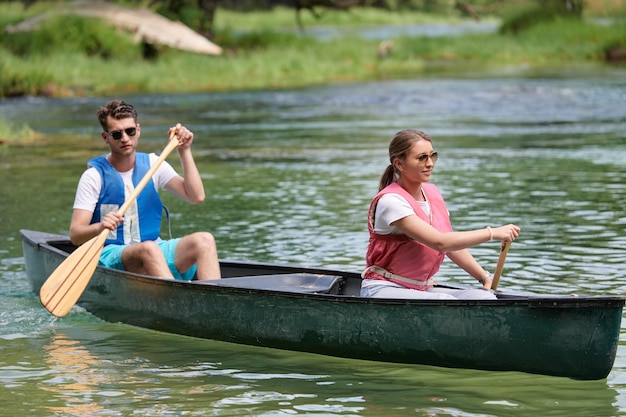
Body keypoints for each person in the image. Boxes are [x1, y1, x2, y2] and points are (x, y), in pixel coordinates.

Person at [69, 99, 221, 281]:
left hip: (155, 248)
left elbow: (196, 197)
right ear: (106, 137)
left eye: (130, 131)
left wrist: (184, 150)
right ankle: (177, 302)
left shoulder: (153, 164)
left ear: (138, 130)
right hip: (109, 253)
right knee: (148, 249)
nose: (125, 138)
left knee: (204, 240)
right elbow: (76, 235)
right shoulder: (94, 176)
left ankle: (214, 302)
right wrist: (100, 226)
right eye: (117, 134)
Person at [361, 129, 520, 299]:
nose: (430, 163)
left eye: (432, 156)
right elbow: (440, 242)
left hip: (419, 289)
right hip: (384, 288)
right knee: (445, 301)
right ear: (399, 164)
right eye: (422, 158)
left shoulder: (432, 193)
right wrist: (492, 233)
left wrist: (483, 277)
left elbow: (450, 244)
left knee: (484, 298)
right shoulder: (391, 201)